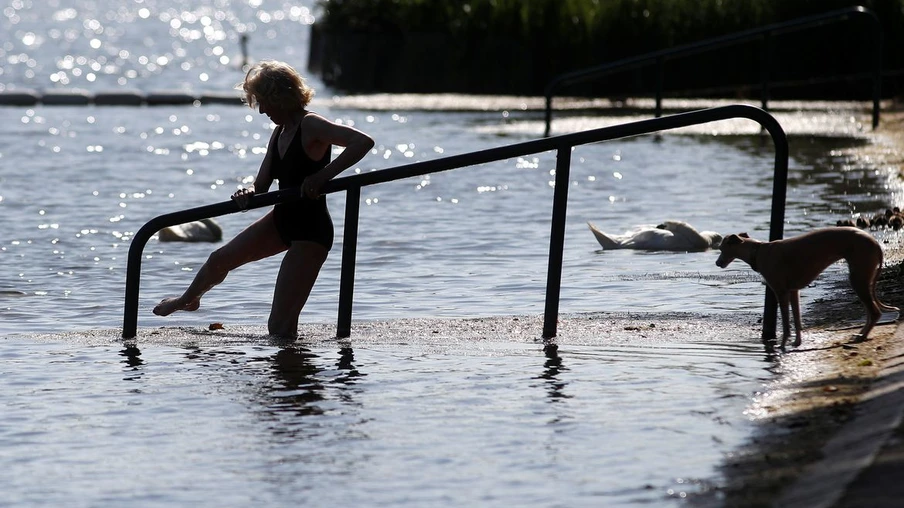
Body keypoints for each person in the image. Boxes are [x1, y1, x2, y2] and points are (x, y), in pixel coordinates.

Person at [153, 60, 374, 338]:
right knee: (218, 259)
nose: (263, 110)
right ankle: (187, 300)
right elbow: (261, 184)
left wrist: (322, 177)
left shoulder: (312, 124)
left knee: (279, 325)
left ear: (280, 97)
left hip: (310, 231)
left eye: (264, 103)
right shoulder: (279, 132)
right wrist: (248, 191)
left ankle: (293, 375)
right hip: (281, 220)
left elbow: (362, 141)